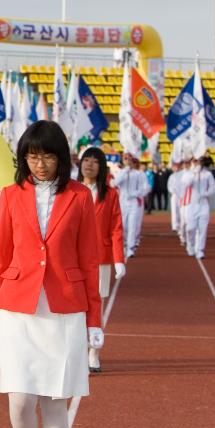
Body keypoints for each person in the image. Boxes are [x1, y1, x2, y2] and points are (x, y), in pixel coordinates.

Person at [0, 120, 102, 428]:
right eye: (33, 155)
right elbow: (0, 258)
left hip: (64, 310)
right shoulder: (10, 196)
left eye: (48, 155)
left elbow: (89, 259)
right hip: (18, 308)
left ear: (62, 158)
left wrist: (94, 320)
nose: (40, 163)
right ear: (23, 158)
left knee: (55, 403)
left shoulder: (80, 197)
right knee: (20, 401)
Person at [78, 148, 125, 374]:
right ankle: (76, 350)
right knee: (75, 306)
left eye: (95, 161)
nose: (89, 165)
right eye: (86, 160)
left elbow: (116, 227)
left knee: (97, 306)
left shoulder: (111, 194)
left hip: (101, 259)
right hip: (73, 258)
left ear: (102, 166)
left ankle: (93, 352)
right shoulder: (71, 190)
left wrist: (119, 259)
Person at [184, 156, 215, 259]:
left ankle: (200, 250)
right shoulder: (188, 173)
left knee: (202, 229)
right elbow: (186, 184)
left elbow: (213, 187)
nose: (198, 162)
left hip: (203, 204)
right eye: (196, 161)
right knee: (190, 228)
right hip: (191, 204)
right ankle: (191, 244)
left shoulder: (208, 174)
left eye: (199, 161)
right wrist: (194, 172)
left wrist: (206, 193)